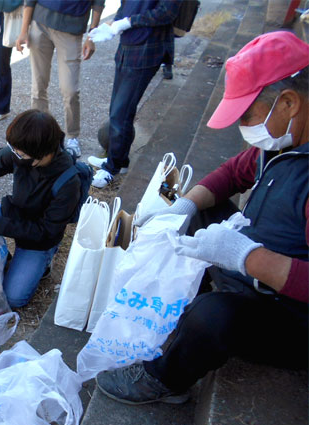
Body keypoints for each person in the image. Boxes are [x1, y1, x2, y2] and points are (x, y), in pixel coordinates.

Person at [95, 31, 309, 405]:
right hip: (258, 269)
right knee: (204, 209)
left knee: (212, 317)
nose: (244, 128)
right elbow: (232, 174)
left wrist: (247, 257)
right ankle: (194, 304)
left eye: (247, 115)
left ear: (288, 103)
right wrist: (187, 205)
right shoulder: (284, 141)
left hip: (292, 311)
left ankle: (164, 380)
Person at [0, 109, 90, 308]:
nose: (15, 155)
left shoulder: (67, 182)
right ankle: (0, 254)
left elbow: (47, 231)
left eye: (20, 154)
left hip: (39, 239)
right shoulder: (21, 153)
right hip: (13, 214)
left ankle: (43, 263)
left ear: (42, 154)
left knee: (14, 298)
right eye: (13, 150)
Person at [86, 0, 180, 188]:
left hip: (147, 49)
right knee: (118, 110)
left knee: (121, 112)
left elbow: (167, 12)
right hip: (128, 47)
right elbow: (125, 5)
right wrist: (113, 25)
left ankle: (111, 168)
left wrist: (127, 22)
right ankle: (119, 161)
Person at [15, 0, 104, 157]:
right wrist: (24, 30)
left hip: (72, 29)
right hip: (40, 23)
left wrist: (91, 37)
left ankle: (72, 136)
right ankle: (39, 134)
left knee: (70, 90)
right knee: (38, 86)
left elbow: (98, 2)